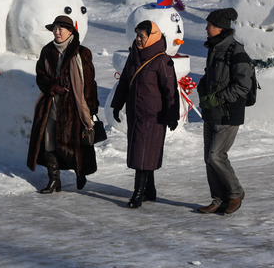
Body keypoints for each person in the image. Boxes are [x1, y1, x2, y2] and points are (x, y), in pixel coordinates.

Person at [110, 20, 180, 208]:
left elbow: (171, 91)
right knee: (142, 152)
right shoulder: (134, 56)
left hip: (153, 116)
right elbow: (125, 82)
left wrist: (172, 115)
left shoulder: (162, 61)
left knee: (142, 154)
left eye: (142, 36)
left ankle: (138, 194)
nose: (138, 39)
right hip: (135, 114)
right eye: (137, 35)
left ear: (152, 37)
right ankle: (150, 190)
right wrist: (117, 105)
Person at [27, 15, 99, 193]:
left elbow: (89, 82)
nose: (57, 32)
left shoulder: (81, 53)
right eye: (55, 29)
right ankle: (54, 180)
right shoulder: (47, 51)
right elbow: (40, 75)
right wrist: (53, 87)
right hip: (51, 104)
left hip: (74, 107)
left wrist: (91, 106)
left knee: (75, 144)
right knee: (49, 143)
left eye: (61, 29)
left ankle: (80, 172)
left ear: (70, 31)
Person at [196, 8, 253, 215]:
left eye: (210, 24)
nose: (206, 28)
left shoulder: (236, 51)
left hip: (228, 114)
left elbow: (243, 86)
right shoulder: (214, 48)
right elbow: (210, 77)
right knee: (208, 159)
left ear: (221, 28)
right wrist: (202, 89)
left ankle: (236, 192)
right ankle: (218, 199)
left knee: (216, 156)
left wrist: (218, 98)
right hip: (211, 112)